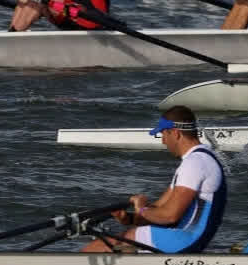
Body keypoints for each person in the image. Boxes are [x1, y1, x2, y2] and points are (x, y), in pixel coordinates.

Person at [83, 106, 226, 253]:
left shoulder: (195, 163)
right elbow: (159, 211)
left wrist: (142, 209)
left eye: (163, 134)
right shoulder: (197, 160)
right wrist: (131, 219)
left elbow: (170, 216)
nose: (163, 141)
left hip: (185, 241)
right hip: (186, 238)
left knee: (102, 246)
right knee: (123, 239)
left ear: (175, 133)